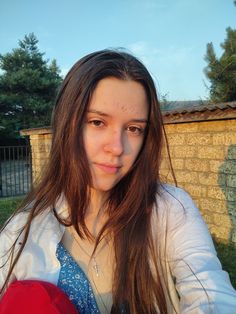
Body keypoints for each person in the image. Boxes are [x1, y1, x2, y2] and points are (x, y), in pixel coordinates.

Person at [0, 49, 236, 314]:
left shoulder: (172, 209)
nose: (117, 147)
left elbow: (209, 289)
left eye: (134, 129)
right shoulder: (19, 233)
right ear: (68, 124)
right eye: (98, 122)